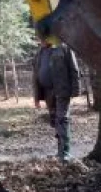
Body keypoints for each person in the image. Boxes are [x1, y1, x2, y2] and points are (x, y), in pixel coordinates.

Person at [33, 33, 81, 161]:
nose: (39, 41)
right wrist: (37, 98)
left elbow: (74, 69)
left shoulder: (64, 48)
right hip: (48, 93)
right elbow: (36, 76)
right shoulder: (40, 53)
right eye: (38, 39)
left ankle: (65, 153)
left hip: (62, 91)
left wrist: (76, 91)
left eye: (41, 38)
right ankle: (60, 150)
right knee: (55, 121)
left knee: (62, 119)